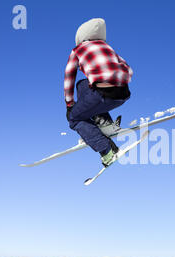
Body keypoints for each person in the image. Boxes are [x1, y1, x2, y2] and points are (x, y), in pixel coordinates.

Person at [64, 18, 133, 167]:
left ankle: (106, 151)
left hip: (102, 93)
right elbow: (128, 68)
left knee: (74, 119)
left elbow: (69, 76)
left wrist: (69, 105)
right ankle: (105, 124)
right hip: (123, 92)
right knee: (82, 84)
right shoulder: (107, 47)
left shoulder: (77, 50)